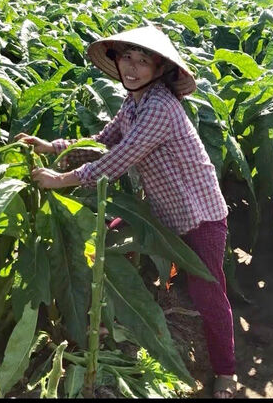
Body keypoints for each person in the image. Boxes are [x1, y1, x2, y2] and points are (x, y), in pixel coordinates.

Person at [14, 26, 238, 399]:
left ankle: (226, 371)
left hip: (200, 216)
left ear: (160, 68)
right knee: (101, 247)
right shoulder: (133, 103)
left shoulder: (161, 108)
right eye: (126, 58)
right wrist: (51, 147)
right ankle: (107, 327)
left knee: (208, 293)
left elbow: (116, 161)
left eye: (143, 61)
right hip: (159, 213)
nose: (132, 68)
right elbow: (103, 143)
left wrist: (61, 180)